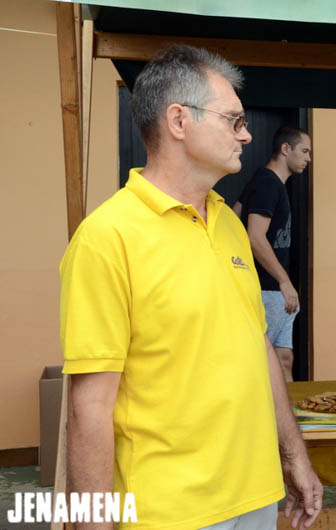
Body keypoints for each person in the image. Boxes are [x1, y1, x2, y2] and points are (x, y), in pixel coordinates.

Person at [59, 45, 322, 530]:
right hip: (169, 511)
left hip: (256, 497)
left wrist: (294, 455)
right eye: (233, 120)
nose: (246, 134)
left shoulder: (229, 224)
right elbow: (88, 408)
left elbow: (258, 345)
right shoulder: (107, 237)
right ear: (179, 120)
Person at [234, 126, 312, 382]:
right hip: (266, 289)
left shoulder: (268, 182)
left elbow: (233, 216)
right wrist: (284, 281)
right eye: (304, 151)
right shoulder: (268, 183)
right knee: (262, 361)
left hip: (275, 291)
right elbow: (254, 236)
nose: (308, 159)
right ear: (285, 148)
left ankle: (288, 409)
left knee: (284, 358)